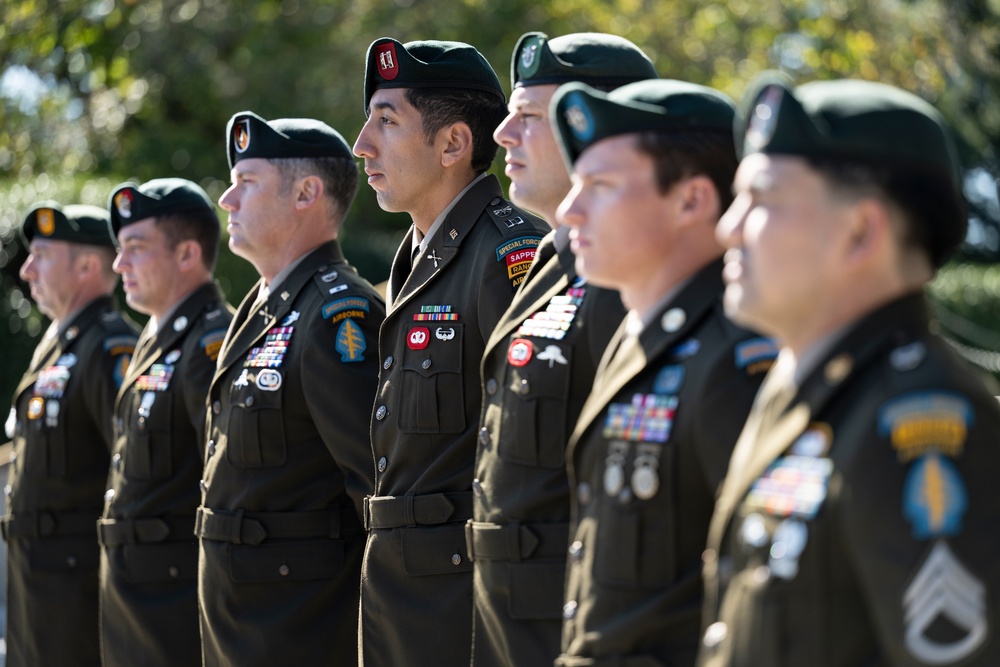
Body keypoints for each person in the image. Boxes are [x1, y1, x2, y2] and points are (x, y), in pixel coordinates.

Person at [698, 77, 1000, 667]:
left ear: (861, 231)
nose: (727, 228)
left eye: (760, 200)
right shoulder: (796, 390)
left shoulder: (918, 422)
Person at [550, 79, 777, 664]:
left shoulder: (732, 358)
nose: (568, 209)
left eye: (599, 185)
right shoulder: (636, 334)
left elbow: (765, 595)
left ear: (691, 201)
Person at [353, 37, 549, 666]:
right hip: (400, 600)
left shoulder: (509, 256)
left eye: (386, 121)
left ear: (454, 145)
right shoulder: (412, 258)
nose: (362, 144)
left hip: (463, 609)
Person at [470, 32, 657, 666]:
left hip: (570, 619)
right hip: (512, 613)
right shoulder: (552, 259)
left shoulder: (629, 281)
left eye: (527, 116)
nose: (500, 134)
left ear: (590, 125)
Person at [198, 111, 384, 666]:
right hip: (243, 622)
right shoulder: (262, 307)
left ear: (306, 193)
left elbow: (372, 493)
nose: (227, 200)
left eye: (247, 183)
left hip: (299, 628)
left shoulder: (336, 314)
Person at [98, 178, 234, 666]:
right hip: (137, 602)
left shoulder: (211, 342)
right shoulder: (154, 339)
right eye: (119, 248)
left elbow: (223, 481)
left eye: (135, 247)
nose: (119, 264)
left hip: (176, 606)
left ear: (186, 255)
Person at [3, 202, 138, 665]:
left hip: (78, 584)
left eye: (41, 255)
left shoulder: (109, 348)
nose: (25, 269)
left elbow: (132, 470)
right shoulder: (59, 346)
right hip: (38, 581)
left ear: (86, 265)